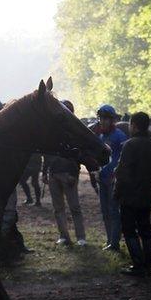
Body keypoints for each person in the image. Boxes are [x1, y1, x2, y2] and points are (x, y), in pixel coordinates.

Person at [0, 98, 32, 266]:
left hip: (1, 178)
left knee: (10, 215)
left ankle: (16, 247)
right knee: (6, 216)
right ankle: (2, 255)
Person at [114, 112, 151, 277]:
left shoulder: (129, 145)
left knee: (129, 229)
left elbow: (121, 172)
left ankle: (138, 265)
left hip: (129, 195)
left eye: (130, 124)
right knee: (146, 229)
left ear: (134, 125)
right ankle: (148, 266)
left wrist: (117, 192)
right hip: (146, 194)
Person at [42, 100, 87, 246]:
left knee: (74, 207)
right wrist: (44, 172)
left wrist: (75, 173)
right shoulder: (52, 132)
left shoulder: (74, 133)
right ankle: (64, 236)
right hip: (53, 173)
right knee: (58, 208)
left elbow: (79, 155)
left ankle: (81, 237)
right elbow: (46, 153)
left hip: (68, 174)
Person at [93, 104, 127, 251]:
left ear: (112, 120)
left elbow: (123, 158)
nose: (103, 121)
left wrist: (117, 174)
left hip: (114, 180)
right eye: (101, 118)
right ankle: (110, 240)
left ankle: (114, 243)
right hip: (102, 178)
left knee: (114, 211)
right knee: (105, 211)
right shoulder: (100, 136)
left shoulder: (120, 136)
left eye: (106, 118)